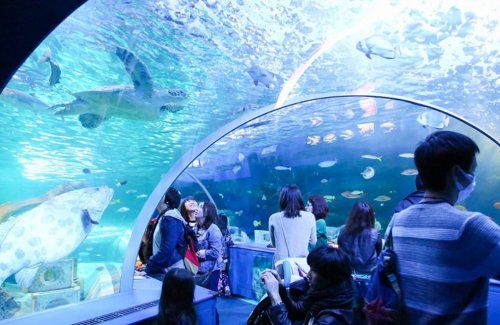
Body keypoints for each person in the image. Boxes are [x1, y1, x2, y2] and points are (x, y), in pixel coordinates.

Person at [387, 131, 500, 323]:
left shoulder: (397, 221)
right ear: (457, 174)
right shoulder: (470, 226)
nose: (472, 178)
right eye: (472, 171)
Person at [260, 245, 353, 324]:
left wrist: (275, 297)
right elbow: (299, 310)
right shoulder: (327, 292)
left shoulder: (331, 319)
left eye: (314, 271)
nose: (308, 275)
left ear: (331, 277)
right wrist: (281, 288)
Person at [268, 185, 317, 276]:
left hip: (281, 265)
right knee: (300, 287)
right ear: (299, 198)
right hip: (301, 265)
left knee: (282, 288)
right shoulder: (310, 217)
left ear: (282, 199)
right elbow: (313, 242)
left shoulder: (274, 217)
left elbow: (274, 244)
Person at [145, 188, 185, 281]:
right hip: (166, 269)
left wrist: (150, 264)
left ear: (167, 199)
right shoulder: (166, 216)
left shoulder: (170, 217)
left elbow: (167, 249)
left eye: (161, 194)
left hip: (170, 271)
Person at [337, 201, 382, 274]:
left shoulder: (343, 231)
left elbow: (340, 248)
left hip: (349, 271)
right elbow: (378, 251)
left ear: (353, 215)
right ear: (370, 216)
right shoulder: (375, 233)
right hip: (369, 271)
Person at [194, 201, 223, 291]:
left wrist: (202, 253)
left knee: (208, 300)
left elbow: (215, 252)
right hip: (197, 271)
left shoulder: (213, 229)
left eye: (201, 207)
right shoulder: (196, 227)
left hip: (210, 273)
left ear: (208, 212)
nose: (196, 208)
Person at [216, 213, 233, 295]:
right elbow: (229, 241)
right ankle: (227, 288)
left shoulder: (215, 230)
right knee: (224, 272)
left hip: (218, 255)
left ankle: (219, 289)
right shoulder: (226, 230)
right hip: (225, 256)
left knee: (220, 273)